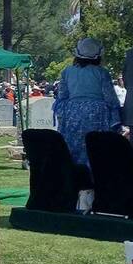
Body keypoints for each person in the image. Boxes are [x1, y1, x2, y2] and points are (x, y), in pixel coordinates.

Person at [53, 37, 122, 169]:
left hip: (72, 114)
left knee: (73, 149)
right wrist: (116, 117)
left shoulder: (67, 71)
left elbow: (62, 97)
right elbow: (110, 98)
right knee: (96, 149)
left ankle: (76, 182)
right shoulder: (101, 72)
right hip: (97, 114)